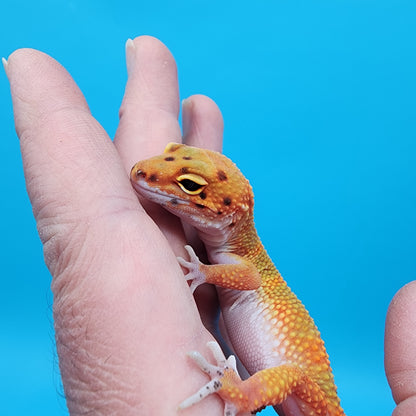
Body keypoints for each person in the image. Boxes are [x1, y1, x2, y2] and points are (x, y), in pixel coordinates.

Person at [4, 36, 415, 415]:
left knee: (295, 375)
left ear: (229, 213)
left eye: (188, 185)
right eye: (173, 156)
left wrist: (202, 272)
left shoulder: (243, 261)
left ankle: (241, 395)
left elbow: (248, 279)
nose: (149, 173)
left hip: (304, 384)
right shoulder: (227, 245)